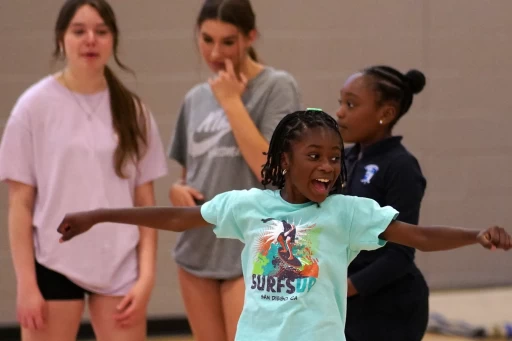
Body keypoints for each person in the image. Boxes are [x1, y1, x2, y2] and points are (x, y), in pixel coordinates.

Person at [57, 110, 511, 341]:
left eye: (334, 157)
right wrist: (99, 215)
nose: (328, 167)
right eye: (314, 156)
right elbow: (177, 217)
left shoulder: (346, 212)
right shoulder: (248, 205)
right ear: (283, 160)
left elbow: (417, 236)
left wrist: (475, 235)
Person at [0, 1, 168, 340]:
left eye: (101, 31)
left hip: (120, 267)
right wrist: (27, 285)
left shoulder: (133, 110)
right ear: (62, 39)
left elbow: (145, 203)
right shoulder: (33, 107)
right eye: (79, 31)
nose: (90, 39)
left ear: (113, 40)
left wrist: (146, 276)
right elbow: (20, 205)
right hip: (53, 261)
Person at [167, 0, 301, 340]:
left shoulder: (277, 86)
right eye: (206, 39)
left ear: (250, 36)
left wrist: (231, 102)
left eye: (228, 41)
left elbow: (269, 170)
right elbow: (190, 174)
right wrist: (177, 191)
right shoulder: (195, 98)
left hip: (253, 249)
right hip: (198, 247)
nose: (215, 52)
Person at [335, 65, 430, 340]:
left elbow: (400, 255)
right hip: (348, 303)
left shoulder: (401, 166)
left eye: (351, 104)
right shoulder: (343, 159)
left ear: (385, 114)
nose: (340, 111)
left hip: (390, 309)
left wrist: (346, 287)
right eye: (340, 102)